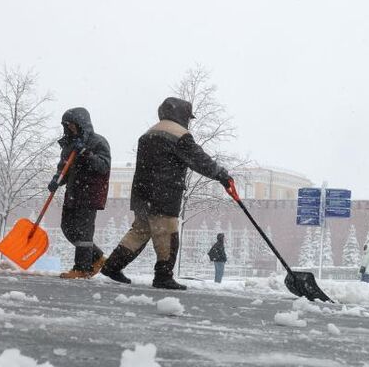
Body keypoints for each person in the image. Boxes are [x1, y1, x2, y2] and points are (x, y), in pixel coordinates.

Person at [100, 97, 232, 290]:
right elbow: (199, 160)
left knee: (139, 231)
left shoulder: (148, 133)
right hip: (164, 194)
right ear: (181, 115)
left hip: (141, 193)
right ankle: (163, 276)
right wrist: (221, 175)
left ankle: (112, 266)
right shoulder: (180, 135)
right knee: (167, 235)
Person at [50, 108, 111, 280]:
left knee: (84, 232)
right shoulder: (69, 144)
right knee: (68, 228)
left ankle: (82, 269)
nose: (70, 128)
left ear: (81, 124)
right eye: (67, 126)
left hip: (89, 192)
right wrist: (57, 180)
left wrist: (85, 153)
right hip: (73, 192)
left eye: (73, 125)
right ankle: (97, 257)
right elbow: (63, 169)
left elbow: (103, 166)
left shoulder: (99, 142)